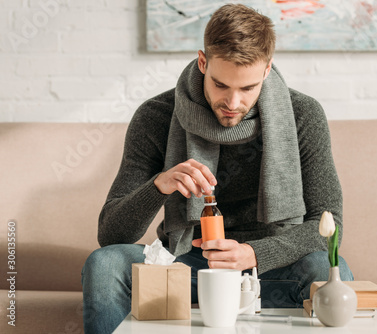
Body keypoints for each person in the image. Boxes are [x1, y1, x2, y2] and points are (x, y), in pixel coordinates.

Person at [82, 4, 353, 334]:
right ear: (203, 62)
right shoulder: (155, 116)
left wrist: (254, 253)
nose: (233, 102)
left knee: (325, 268)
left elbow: (329, 226)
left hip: (272, 267)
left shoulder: (303, 115)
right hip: (186, 264)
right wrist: (159, 185)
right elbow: (111, 235)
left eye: (247, 88)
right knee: (105, 264)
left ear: (267, 71)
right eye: (221, 85)